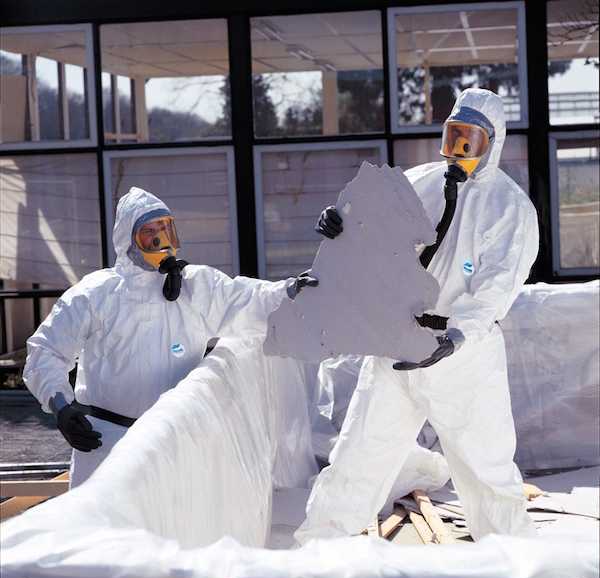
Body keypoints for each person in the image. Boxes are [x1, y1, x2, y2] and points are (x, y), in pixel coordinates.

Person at [295, 88, 539, 543]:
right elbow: (367, 228)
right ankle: (318, 554)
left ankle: (513, 565)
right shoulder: (419, 182)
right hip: (395, 346)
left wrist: (455, 338)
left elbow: (496, 290)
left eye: (472, 141)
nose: (459, 151)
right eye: (454, 138)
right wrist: (339, 223)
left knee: (485, 469)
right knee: (358, 455)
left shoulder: (510, 209)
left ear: (494, 143)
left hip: (462, 362)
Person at [23, 187, 317, 488]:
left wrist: (296, 289)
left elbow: (252, 301)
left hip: (178, 444)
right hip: (108, 447)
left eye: (165, 230)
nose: (160, 241)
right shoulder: (96, 294)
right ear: (129, 241)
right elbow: (46, 351)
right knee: (108, 533)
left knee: (178, 530)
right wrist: (62, 407)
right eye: (149, 233)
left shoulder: (196, 287)